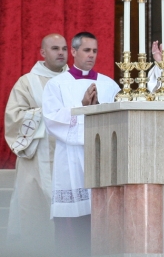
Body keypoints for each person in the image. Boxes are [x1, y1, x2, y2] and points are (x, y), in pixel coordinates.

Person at [42, 32, 120, 256]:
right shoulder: (57, 85)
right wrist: (82, 105)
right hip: (70, 161)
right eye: (86, 50)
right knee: (72, 226)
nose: (91, 55)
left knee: (101, 222)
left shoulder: (108, 85)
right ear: (73, 52)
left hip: (100, 161)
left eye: (95, 51)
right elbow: (51, 119)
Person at [5, 34, 68, 256]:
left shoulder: (74, 79)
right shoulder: (27, 82)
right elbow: (13, 117)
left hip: (67, 159)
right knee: (35, 217)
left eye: (64, 48)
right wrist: (46, 115)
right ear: (43, 53)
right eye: (54, 48)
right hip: (36, 161)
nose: (61, 52)